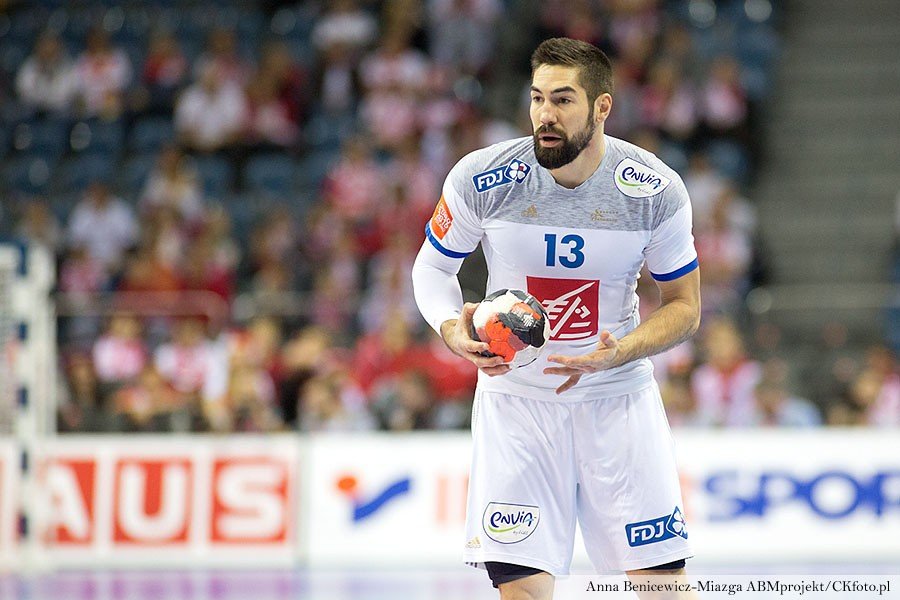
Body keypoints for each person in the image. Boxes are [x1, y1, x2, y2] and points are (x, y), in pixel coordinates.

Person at [411, 38, 701, 599]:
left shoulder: (654, 190)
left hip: (617, 400)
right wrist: (450, 329)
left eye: (563, 100)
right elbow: (432, 269)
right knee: (520, 588)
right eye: (537, 98)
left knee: (662, 585)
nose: (545, 114)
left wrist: (619, 352)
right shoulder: (482, 177)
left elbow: (685, 307)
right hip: (515, 404)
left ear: (602, 107)